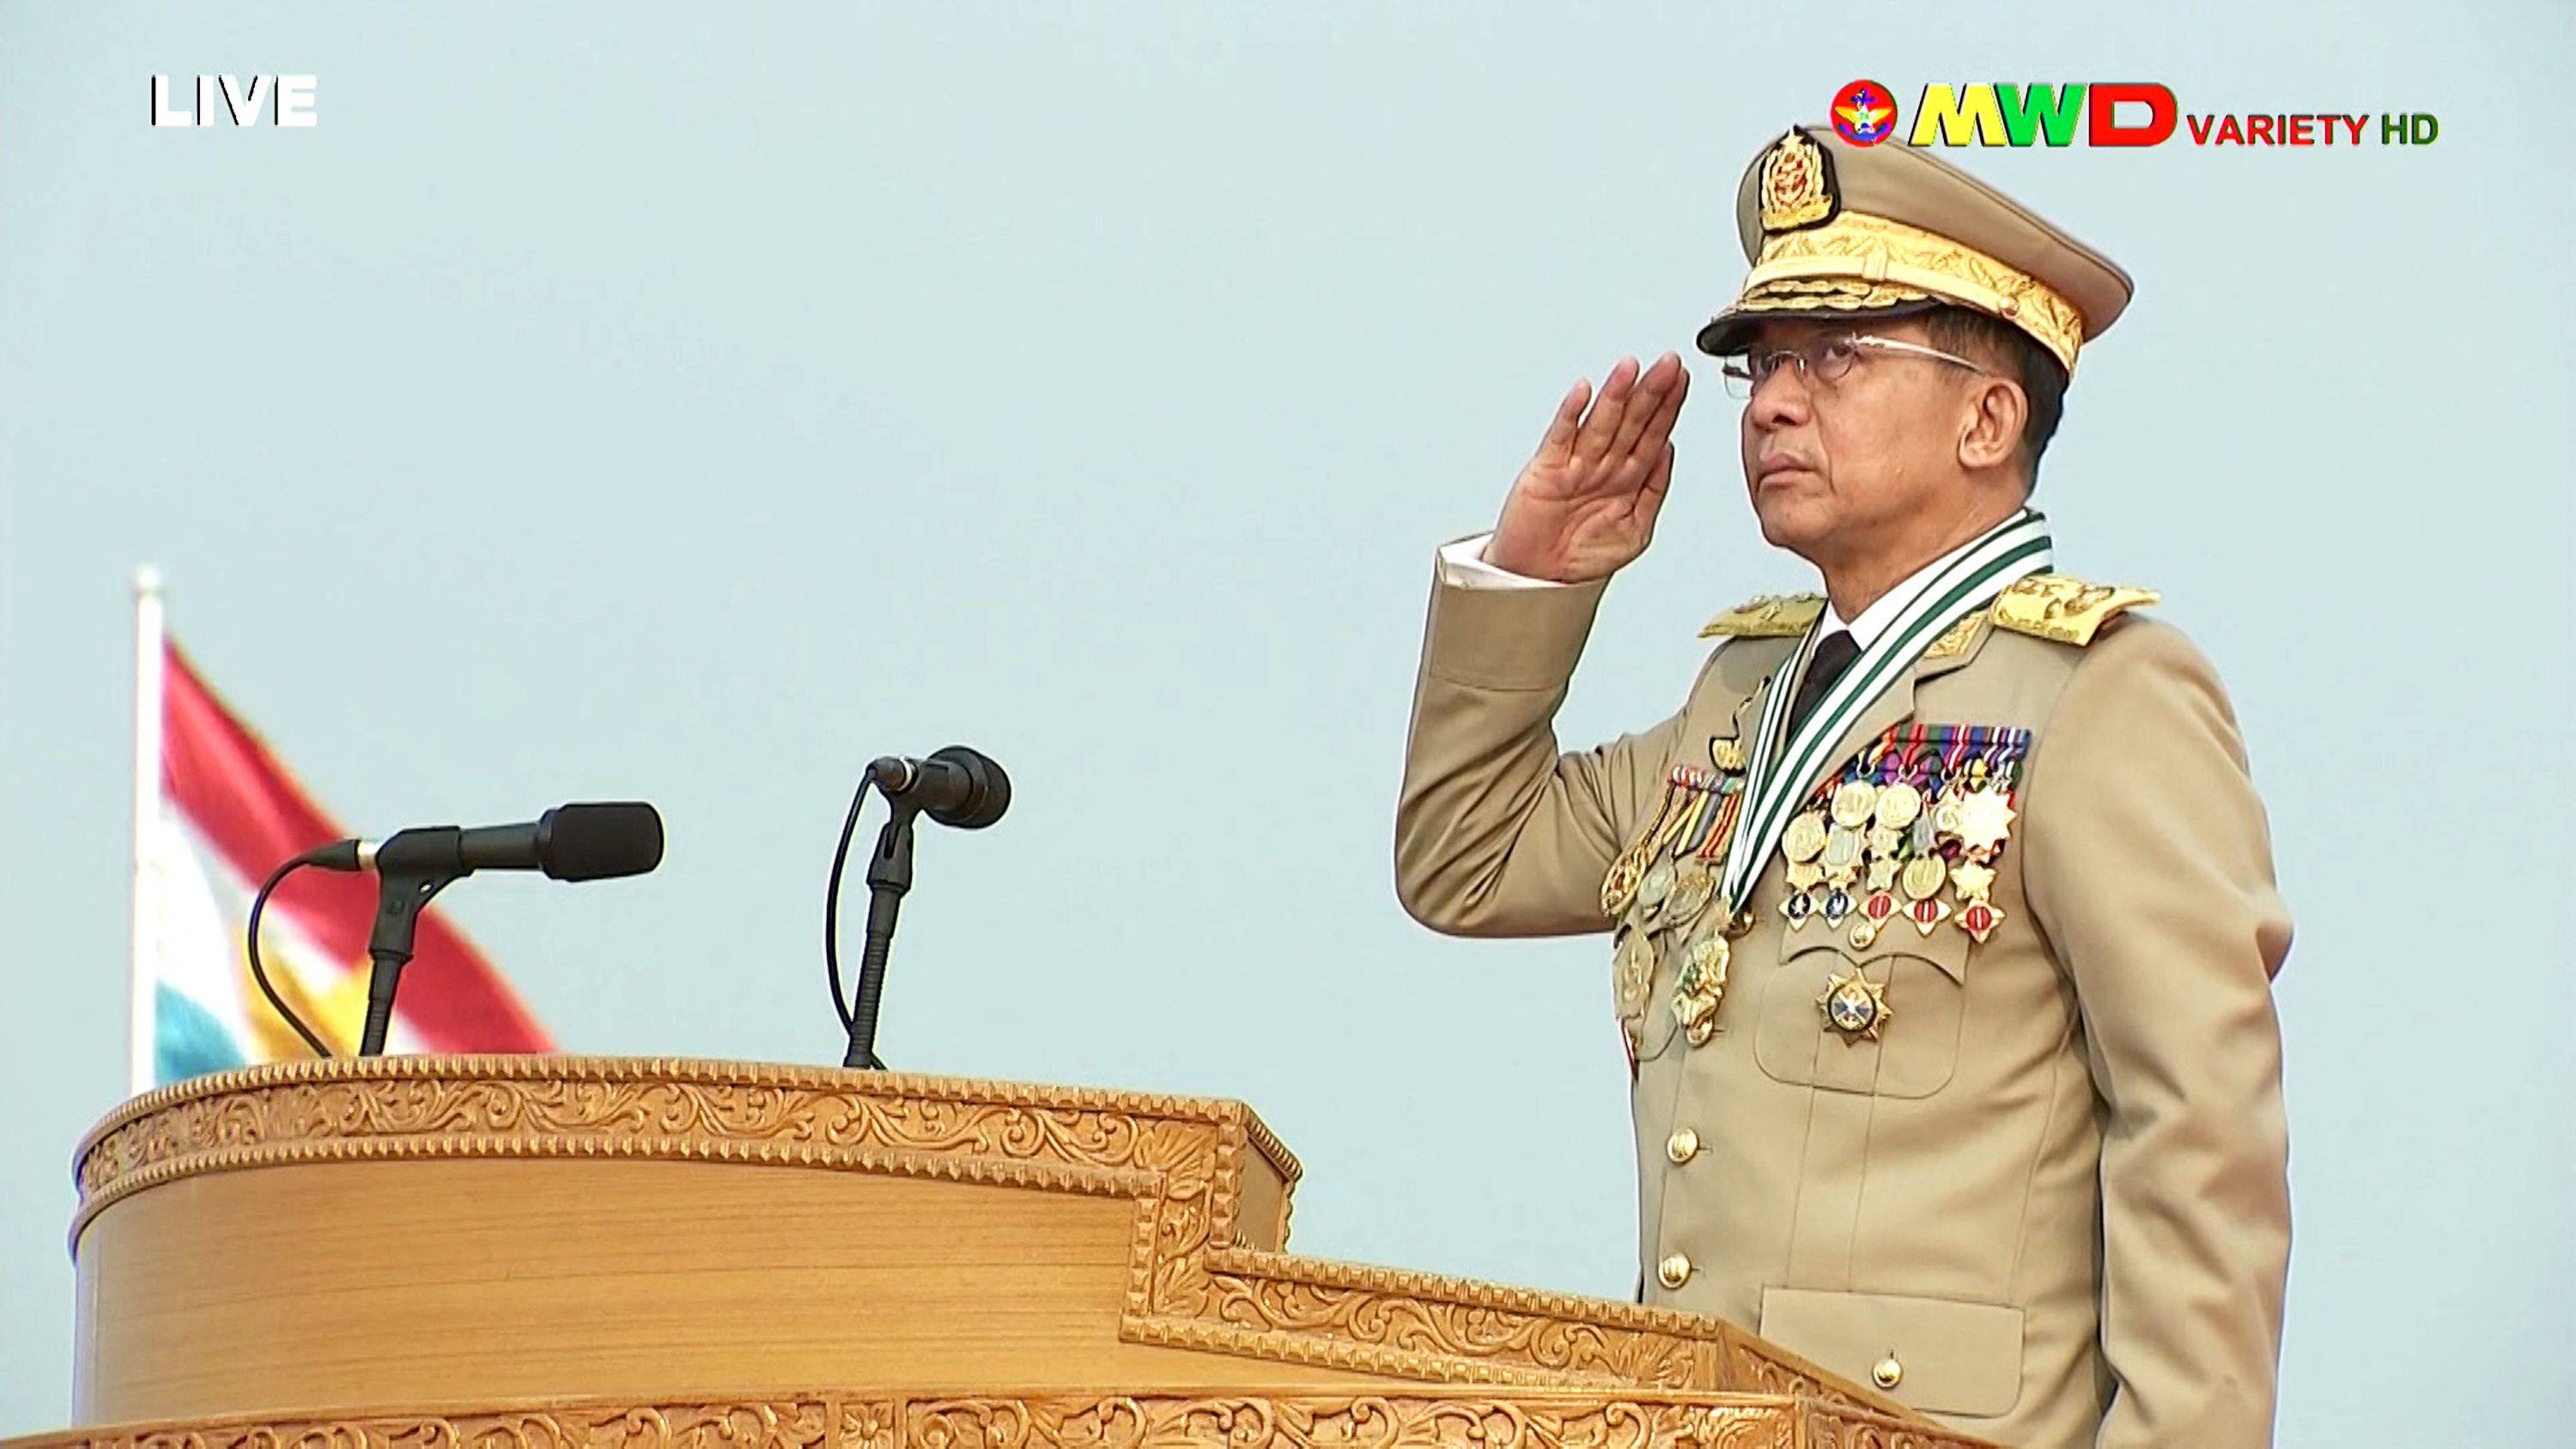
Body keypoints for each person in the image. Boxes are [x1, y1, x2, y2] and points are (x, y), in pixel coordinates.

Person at [1393, 124, 2293, 1448]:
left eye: (1839, 357)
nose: (1769, 402)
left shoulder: (2101, 697)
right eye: (1762, 364)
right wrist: (1537, 577)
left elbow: (2197, 1143)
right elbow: (1466, 862)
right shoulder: (1742, 698)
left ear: (1990, 417)